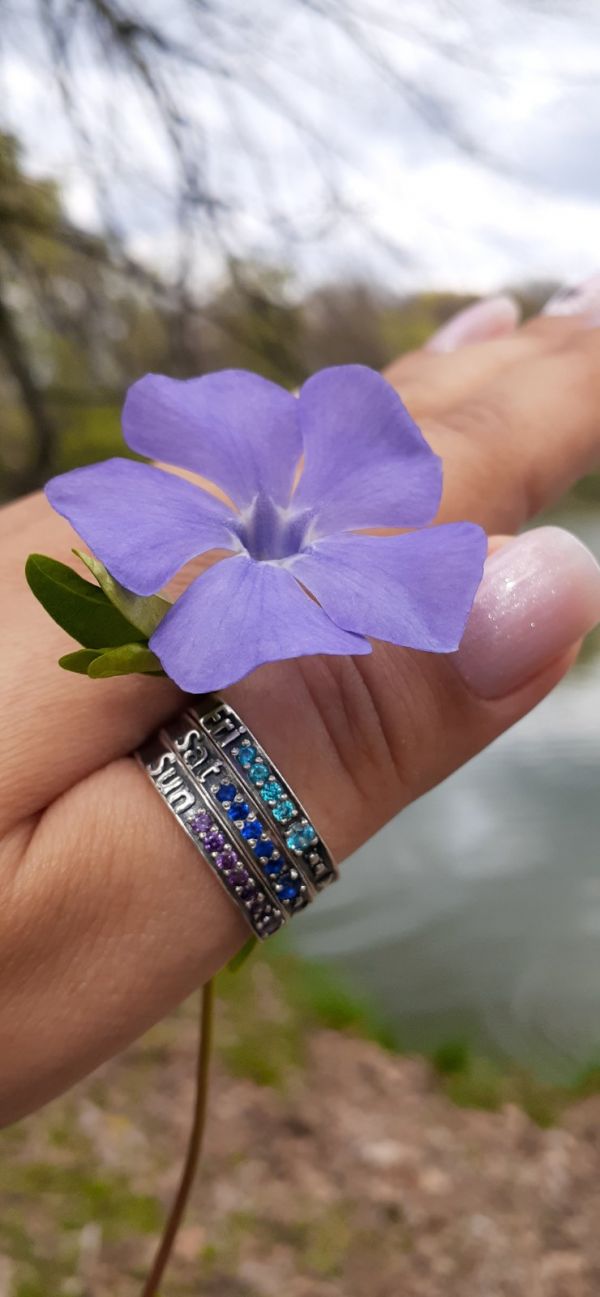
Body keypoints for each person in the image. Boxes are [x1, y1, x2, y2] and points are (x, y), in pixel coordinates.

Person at [1, 281, 599, 1126]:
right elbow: (196, 624)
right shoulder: (200, 545)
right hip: (215, 615)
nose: (269, 529)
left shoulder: (302, 529)